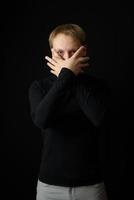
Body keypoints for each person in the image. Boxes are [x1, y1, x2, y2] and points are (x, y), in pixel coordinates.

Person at [28, 23, 110, 200]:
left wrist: (67, 76)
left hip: (91, 186)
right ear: (52, 52)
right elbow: (41, 120)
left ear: (84, 50)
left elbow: (99, 118)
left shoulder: (98, 87)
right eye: (60, 53)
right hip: (49, 187)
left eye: (73, 52)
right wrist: (66, 77)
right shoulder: (39, 87)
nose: (67, 59)